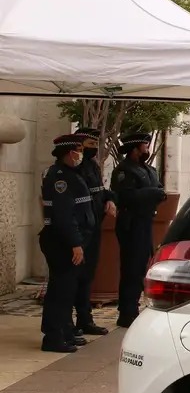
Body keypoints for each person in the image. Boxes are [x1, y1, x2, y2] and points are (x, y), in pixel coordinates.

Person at [39, 134, 95, 353]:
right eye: (77, 151)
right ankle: (53, 337)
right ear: (68, 153)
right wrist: (75, 243)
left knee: (67, 289)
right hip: (61, 241)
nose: (80, 155)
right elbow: (63, 215)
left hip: (69, 240)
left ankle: (65, 332)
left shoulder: (72, 174)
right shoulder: (60, 178)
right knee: (60, 291)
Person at [111, 132, 166, 328]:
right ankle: (127, 312)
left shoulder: (148, 170)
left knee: (143, 266)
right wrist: (151, 193)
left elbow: (159, 190)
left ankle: (134, 307)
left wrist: (154, 193)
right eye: (144, 146)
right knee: (131, 268)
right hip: (131, 223)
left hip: (145, 221)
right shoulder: (124, 171)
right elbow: (126, 196)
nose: (147, 149)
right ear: (135, 149)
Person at [71, 127, 115, 337]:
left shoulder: (92, 165)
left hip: (94, 225)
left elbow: (100, 190)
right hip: (81, 229)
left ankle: (84, 319)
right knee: (75, 277)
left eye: (95, 145)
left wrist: (110, 199)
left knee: (88, 276)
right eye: (89, 145)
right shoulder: (75, 168)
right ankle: (69, 322)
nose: (94, 149)